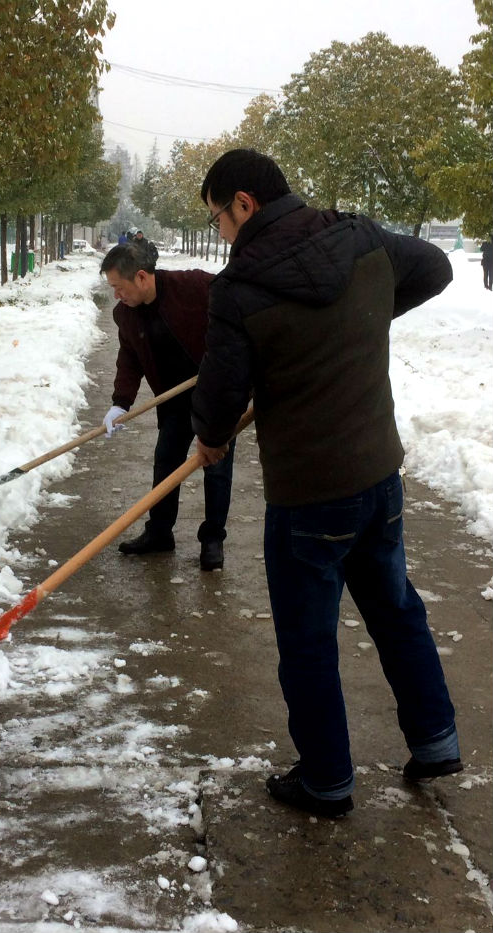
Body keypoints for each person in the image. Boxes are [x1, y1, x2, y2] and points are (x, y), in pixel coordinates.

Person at [191, 148, 461, 817]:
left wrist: (210, 441)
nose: (223, 233)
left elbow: (220, 403)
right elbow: (433, 267)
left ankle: (326, 781)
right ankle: (436, 740)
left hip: (309, 497)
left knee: (309, 642)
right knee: (397, 608)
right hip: (378, 474)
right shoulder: (359, 237)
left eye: (220, 219)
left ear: (245, 204)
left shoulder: (240, 288)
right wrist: (356, 318)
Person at [100, 242, 235, 570]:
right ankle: (160, 533)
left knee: (216, 468)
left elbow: (236, 309)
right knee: (166, 463)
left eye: (119, 287)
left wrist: (232, 362)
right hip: (174, 400)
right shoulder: (125, 314)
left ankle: (213, 540)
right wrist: (121, 402)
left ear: (142, 277)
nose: (116, 296)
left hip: (214, 396)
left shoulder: (194, 286)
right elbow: (130, 357)